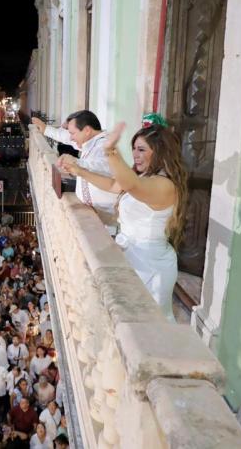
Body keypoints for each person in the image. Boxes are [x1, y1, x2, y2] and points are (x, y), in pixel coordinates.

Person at [58, 116, 188, 321]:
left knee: (148, 321)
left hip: (150, 264)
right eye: (134, 149)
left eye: (141, 149)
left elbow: (131, 185)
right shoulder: (145, 177)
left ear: (160, 151)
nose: (135, 155)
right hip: (130, 254)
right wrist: (79, 171)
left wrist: (110, 151)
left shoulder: (165, 185)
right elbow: (113, 185)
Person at [33, 110, 117, 219]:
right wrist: (46, 129)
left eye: (73, 133)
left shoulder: (104, 145)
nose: (71, 137)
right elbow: (67, 138)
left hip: (106, 216)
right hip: (93, 213)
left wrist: (76, 162)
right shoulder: (90, 142)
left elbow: (103, 166)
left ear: (87, 130)